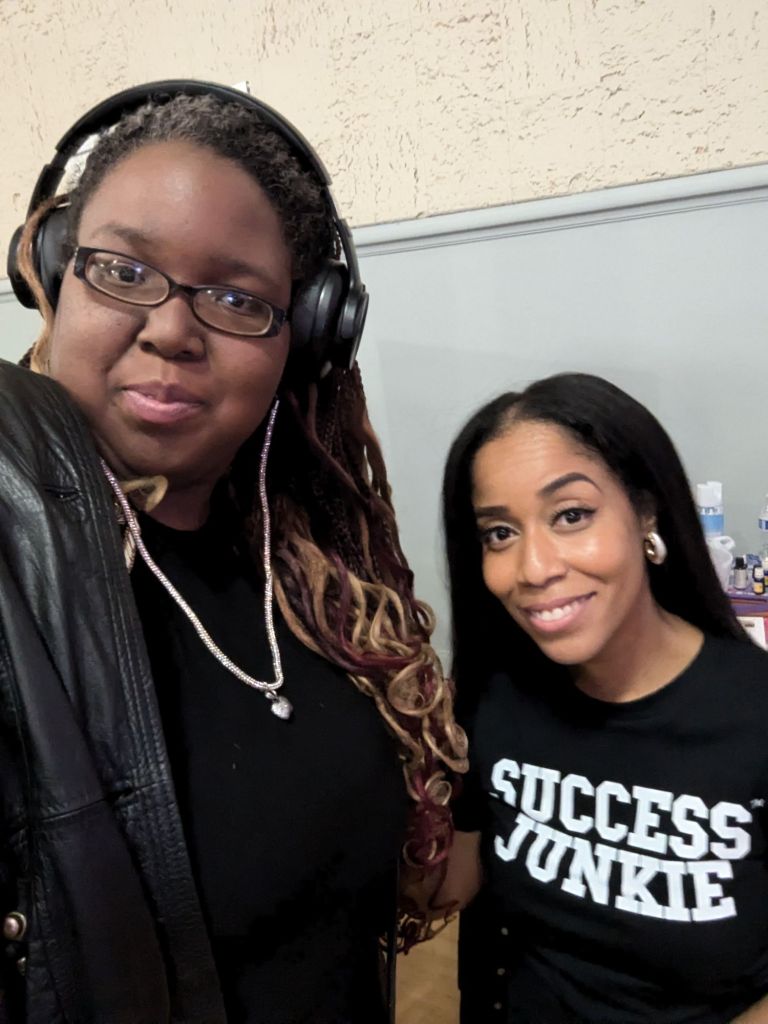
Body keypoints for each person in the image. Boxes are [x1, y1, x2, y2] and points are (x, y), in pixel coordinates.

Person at [0, 81, 466, 1024]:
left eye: (235, 298)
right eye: (122, 270)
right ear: (51, 270)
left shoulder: (315, 582)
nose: (171, 330)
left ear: (309, 333)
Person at [439, 372, 768, 1024]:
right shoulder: (495, 696)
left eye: (571, 516)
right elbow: (448, 889)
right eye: (500, 533)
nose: (534, 569)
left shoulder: (752, 714)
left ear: (646, 512)